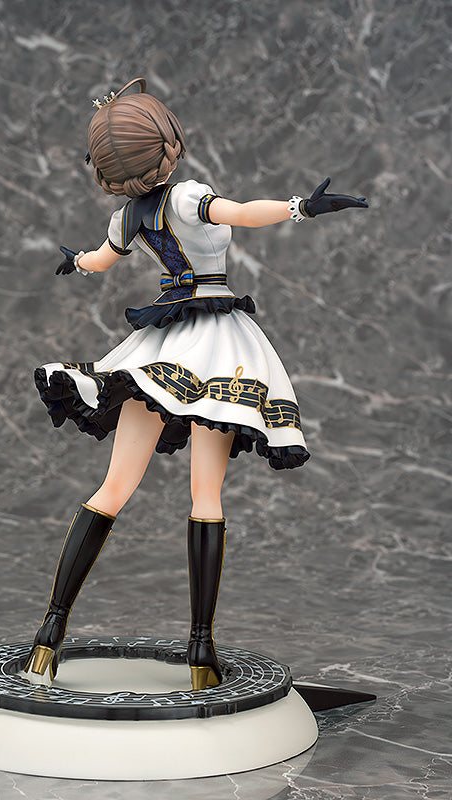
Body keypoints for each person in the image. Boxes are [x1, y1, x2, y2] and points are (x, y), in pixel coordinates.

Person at [24, 78, 368, 690]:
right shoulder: (185, 196)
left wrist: (74, 260)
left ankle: (47, 638)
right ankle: (201, 652)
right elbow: (242, 213)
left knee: (113, 488)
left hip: (158, 346)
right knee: (205, 497)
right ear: (168, 144)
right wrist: (300, 207)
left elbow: (99, 260)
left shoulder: (125, 217)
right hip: (214, 347)